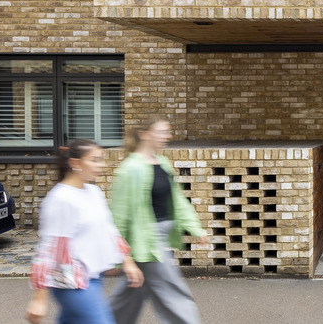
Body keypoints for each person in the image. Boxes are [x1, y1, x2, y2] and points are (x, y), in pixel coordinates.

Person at [26, 139, 143, 324]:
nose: (102, 165)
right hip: (72, 283)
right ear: (75, 163)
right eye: (95, 160)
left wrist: (127, 261)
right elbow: (48, 250)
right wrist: (39, 299)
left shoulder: (94, 191)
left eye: (101, 159)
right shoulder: (61, 199)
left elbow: (110, 230)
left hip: (93, 277)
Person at [108, 119, 208, 324]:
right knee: (173, 293)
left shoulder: (163, 163)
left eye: (167, 132)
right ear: (145, 134)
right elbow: (118, 217)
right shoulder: (129, 169)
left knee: (130, 294)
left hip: (159, 239)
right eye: (161, 132)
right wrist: (122, 256)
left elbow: (177, 200)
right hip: (147, 241)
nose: (167, 136)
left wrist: (195, 228)